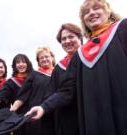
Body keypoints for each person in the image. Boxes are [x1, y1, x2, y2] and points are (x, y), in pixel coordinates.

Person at [26, 0, 127, 135]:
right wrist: (44, 107)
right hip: (95, 121)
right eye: (86, 12)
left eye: (96, 8)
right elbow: (67, 90)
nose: (91, 13)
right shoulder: (80, 56)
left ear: (108, 11)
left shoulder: (123, 29)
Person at [10, 47, 56, 135]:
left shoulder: (59, 72)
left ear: (52, 58)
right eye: (41, 58)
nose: (44, 59)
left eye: (46, 56)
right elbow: (22, 96)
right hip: (37, 115)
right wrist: (11, 110)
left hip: (55, 113)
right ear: (38, 61)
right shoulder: (33, 75)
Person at [0, 54, 33, 135]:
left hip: (35, 113)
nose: (21, 64)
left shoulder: (35, 77)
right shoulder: (12, 81)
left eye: (23, 62)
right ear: (14, 65)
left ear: (28, 63)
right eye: (18, 62)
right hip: (19, 117)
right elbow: (2, 94)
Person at [49, 23, 82, 135]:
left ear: (80, 38)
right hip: (67, 121)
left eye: (71, 36)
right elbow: (52, 93)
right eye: (63, 39)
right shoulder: (59, 68)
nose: (67, 41)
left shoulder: (90, 59)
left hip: (89, 114)